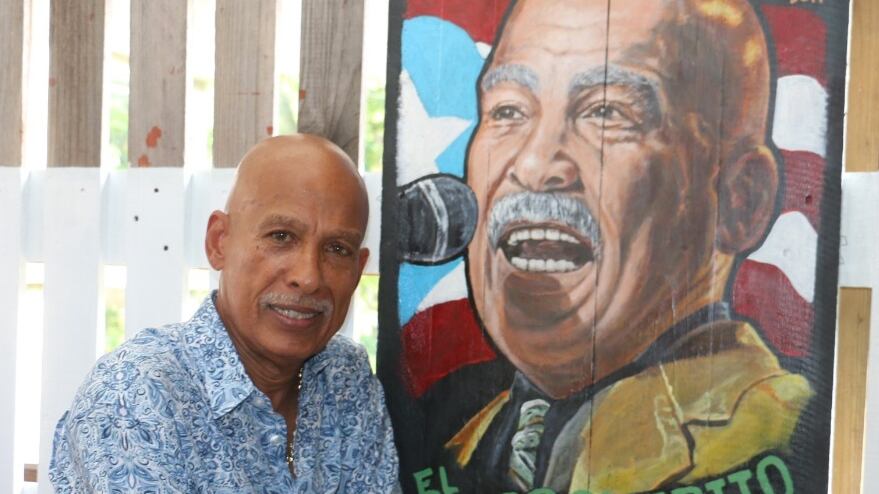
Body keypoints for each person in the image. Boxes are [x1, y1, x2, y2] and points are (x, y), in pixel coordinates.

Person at [441, 0, 813, 492]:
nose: (533, 165)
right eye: (508, 111)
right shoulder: (454, 445)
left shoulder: (785, 435)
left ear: (740, 201)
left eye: (606, 111)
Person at [50, 135, 399, 492]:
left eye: (337, 249)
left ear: (358, 270)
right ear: (219, 242)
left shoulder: (343, 377)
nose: (308, 277)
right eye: (281, 236)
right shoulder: (134, 395)